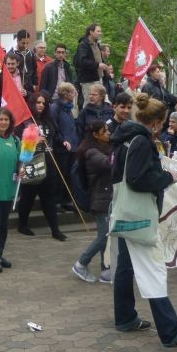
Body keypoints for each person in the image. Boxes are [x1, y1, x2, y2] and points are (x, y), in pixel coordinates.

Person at [110, 93, 177, 348]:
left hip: (126, 213)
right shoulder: (140, 140)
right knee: (153, 271)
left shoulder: (126, 137)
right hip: (140, 216)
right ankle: (171, 332)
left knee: (127, 267)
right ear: (157, 121)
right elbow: (137, 179)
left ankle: (126, 317)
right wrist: (166, 178)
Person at [15, 92, 67, 241]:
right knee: (28, 197)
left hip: (48, 163)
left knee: (49, 198)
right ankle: (22, 224)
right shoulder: (24, 122)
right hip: (31, 163)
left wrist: (63, 141)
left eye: (43, 103)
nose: (41, 105)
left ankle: (55, 230)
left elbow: (55, 136)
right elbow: (19, 145)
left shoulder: (49, 121)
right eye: (38, 102)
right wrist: (33, 142)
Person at [72, 121, 113, 283]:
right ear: (96, 134)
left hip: (107, 197)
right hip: (100, 198)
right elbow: (108, 163)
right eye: (105, 131)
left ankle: (106, 269)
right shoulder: (91, 152)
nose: (108, 133)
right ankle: (81, 263)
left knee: (107, 235)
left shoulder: (103, 148)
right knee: (104, 236)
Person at [0, 107, 23, 273]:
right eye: (0, 119)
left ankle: (0, 253)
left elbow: (19, 161)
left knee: (3, 225)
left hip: (9, 189)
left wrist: (22, 169)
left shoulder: (15, 141)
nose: (3, 122)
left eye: (6, 120)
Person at [49, 82, 79, 212]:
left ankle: (66, 200)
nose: (75, 94)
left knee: (69, 174)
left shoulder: (68, 108)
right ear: (66, 93)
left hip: (72, 146)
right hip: (61, 148)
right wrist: (62, 141)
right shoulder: (55, 108)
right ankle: (56, 201)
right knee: (59, 174)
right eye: (73, 92)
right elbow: (54, 128)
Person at [74, 23, 108, 109]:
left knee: (101, 103)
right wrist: (98, 65)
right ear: (91, 32)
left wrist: (104, 66)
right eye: (98, 31)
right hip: (88, 81)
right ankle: (87, 122)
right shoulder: (83, 45)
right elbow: (82, 61)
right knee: (90, 104)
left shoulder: (97, 44)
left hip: (98, 79)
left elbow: (99, 59)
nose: (100, 33)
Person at [7, 29, 37, 94]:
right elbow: (7, 71)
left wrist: (35, 84)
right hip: (17, 85)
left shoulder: (30, 53)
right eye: (23, 43)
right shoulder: (10, 54)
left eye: (27, 43)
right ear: (17, 41)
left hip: (29, 86)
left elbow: (34, 69)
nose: (25, 45)